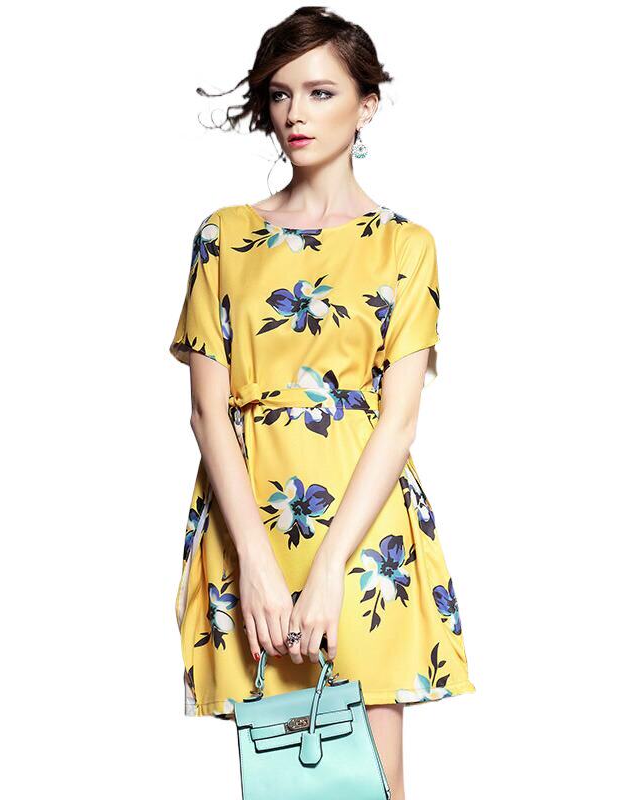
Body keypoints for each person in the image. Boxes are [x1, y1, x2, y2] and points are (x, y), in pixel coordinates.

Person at [168, 7, 475, 798]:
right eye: (280, 94)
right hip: (252, 531)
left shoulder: (406, 246)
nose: (295, 114)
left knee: (370, 781)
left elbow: (399, 421)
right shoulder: (224, 237)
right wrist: (256, 566)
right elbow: (207, 413)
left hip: (365, 536)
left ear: (366, 105)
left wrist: (333, 566)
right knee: (287, 778)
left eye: (320, 91)